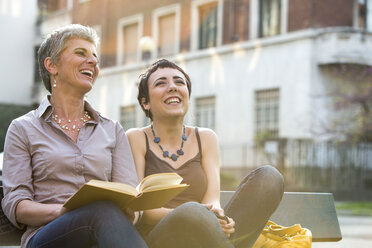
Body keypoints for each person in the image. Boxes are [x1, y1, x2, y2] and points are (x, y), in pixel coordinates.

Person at [1, 24, 147, 248]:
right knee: (102, 211)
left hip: (105, 232)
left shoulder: (112, 130)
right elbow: (16, 205)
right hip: (46, 237)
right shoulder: (23, 128)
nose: (93, 61)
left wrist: (131, 212)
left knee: (105, 213)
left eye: (95, 56)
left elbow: (129, 194)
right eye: (81, 53)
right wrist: (63, 211)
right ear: (51, 65)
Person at [127, 59, 285, 248]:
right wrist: (199, 214)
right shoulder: (135, 138)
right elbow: (143, 210)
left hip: (208, 235)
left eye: (179, 82)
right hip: (161, 238)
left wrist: (218, 216)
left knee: (269, 177)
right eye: (161, 83)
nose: (172, 87)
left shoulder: (206, 138)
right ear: (145, 102)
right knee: (192, 212)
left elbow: (212, 198)